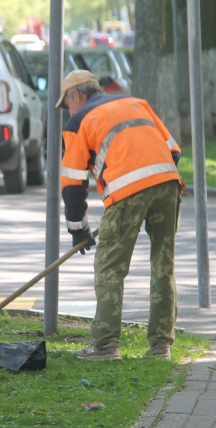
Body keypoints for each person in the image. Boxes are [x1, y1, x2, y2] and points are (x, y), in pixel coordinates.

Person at [56, 70, 184, 361]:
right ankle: (161, 347)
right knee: (164, 265)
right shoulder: (136, 103)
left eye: (67, 105)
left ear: (76, 95)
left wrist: (78, 228)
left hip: (127, 192)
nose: (68, 111)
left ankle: (105, 346)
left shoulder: (79, 121)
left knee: (109, 267)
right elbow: (173, 151)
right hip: (167, 183)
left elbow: (74, 182)